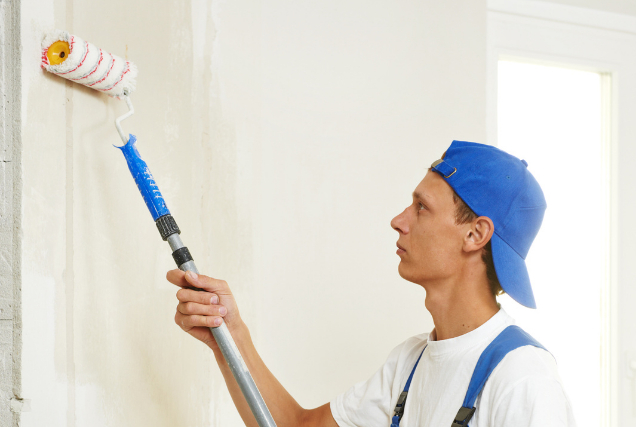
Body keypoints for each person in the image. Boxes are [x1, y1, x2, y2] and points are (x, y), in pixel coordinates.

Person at [167, 140, 576, 426]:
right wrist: (228, 338)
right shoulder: (410, 364)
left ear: (475, 235)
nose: (399, 221)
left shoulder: (522, 378)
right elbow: (295, 426)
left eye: (421, 207)